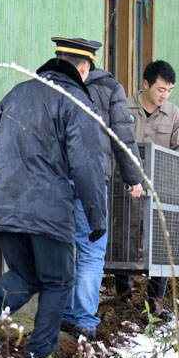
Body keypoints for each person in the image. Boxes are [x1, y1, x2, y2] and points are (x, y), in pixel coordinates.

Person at [0, 37, 107, 358]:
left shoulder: (16, 93)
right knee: (58, 281)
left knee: (24, 275)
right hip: (48, 212)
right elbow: (87, 165)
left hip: (6, 208)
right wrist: (97, 216)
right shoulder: (75, 101)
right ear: (85, 67)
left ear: (57, 59)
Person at [115, 60, 179, 319]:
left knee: (162, 245)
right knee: (125, 242)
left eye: (169, 91)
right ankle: (123, 300)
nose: (164, 96)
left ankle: (155, 304)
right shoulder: (123, 109)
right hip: (126, 191)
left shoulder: (175, 115)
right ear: (145, 84)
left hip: (161, 193)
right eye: (160, 89)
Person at [60, 68, 143, 341]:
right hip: (93, 180)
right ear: (91, 63)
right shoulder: (110, 88)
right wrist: (134, 178)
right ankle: (84, 321)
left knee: (63, 247)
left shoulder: (50, 82)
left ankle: (66, 315)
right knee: (91, 250)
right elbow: (122, 137)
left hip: (57, 178)